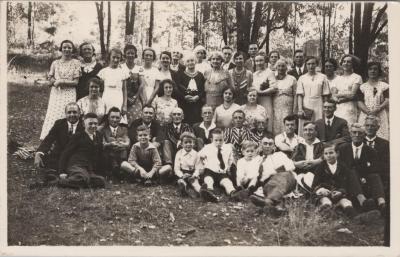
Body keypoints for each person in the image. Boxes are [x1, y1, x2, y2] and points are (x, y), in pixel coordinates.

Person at [338, 123, 386, 212]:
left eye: (360, 133)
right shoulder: (343, 149)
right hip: (347, 178)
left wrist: (362, 177)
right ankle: (363, 201)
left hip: (364, 178)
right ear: (350, 134)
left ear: (364, 135)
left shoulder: (370, 150)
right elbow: (341, 167)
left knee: (375, 175)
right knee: (351, 171)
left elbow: (374, 168)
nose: (357, 135)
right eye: (354, 132)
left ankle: (382, 202)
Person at [40, 40, 81, 140]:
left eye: (69, 48)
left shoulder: (76, 63)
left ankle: (66, 138)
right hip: (56, 93)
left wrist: (61, 81)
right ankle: (50, 138)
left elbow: (76, 82)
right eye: (64, 47)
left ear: (72, 50)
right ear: (61, 49)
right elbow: (50, 77)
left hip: (69, 93)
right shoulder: (55, 63)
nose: (67, 49)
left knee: (68, 113)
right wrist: (54, 81)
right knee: (54, 113)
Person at [34, 103, 84, 185]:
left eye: (75, 112)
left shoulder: (84, 125)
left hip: (74, 157)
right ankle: (55, 175)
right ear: (65, 114)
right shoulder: (59, 123)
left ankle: (67, 176)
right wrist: (39, 153)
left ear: (79, 113)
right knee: (48, 163)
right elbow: (49, 139)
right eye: (69, 112)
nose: (72, 115)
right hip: (58, 155)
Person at [249, 136, 297, 214]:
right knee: (270, 184)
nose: (267, 146)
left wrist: (273, 172)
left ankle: (268, 201)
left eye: (270, 144)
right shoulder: (257, 159)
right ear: (261, 145)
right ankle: (276, 206)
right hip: (268, 183)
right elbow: (251, 175)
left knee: (281, 177)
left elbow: (291, 166)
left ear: (273, 146)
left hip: (286, 178)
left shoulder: (279, 155)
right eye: (265, 143)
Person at [57, 113, 106, 188]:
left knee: (101, 181)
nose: (93, 126)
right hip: (76, 165)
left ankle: (82, 182)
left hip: (88, 168)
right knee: (81, 178)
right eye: (90, 124)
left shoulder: (99, 135)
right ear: (84, 124)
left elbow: (99, 154)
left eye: (95, 124)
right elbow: (65, 153)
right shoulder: (78, 136)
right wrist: (62, 172)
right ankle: (58, 181)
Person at [311, 143, 359, 218]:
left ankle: (354, 218)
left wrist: (341, 191)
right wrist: (321, 189)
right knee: (326, 202)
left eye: (331, 153)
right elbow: (314, 185)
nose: (328, 155)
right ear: (323, 155)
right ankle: (328, 215)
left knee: (346, 203)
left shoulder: (343, 167)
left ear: (337, 154)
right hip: (325, 194)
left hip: (340, 195)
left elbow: (347, 184)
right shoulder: (320, 167)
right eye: (326, 153)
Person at [197, 128, 243, 202]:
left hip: (222, 172)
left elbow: (230, 159)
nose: (218, 142)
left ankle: (233, 193)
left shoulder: (227, 148)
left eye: (220, 140)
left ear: (223, 139)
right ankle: (209, 192)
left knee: (227, 182)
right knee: (208, 180)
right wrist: (202, 158)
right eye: (216, 140)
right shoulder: (208, 147)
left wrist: (228, 167)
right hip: (210, 171)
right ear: (212, 140)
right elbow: (198, 155)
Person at [297, 56, 330, 135]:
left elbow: (325, 94)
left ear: (316, 65)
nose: (311, 66)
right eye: (308, 64)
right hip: (306, 104)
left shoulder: (323, 77)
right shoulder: (302, 78)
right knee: (306, 125)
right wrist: (300, 109)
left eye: (313, 64)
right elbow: (300, 95)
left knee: (319, 125)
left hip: (319, 104)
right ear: (305, 65)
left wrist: (325, 108)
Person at [357, 61, 389, 140]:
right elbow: (359, 101)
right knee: (364, 136)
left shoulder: (384, 86)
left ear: (379, 71)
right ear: (367, 71)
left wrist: (377, 109)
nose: (373, 71)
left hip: (380, 114)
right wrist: (368, 112)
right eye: (370, 69)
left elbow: (387, 100)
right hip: (366, 115)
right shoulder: (362, 87)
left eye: (375, 69)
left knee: (381, 137)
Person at [291, 122, 324, 192]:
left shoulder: (321, 145)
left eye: (310, 130)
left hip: (316, 172)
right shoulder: (299, 146)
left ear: (316, 132)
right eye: (305, 130)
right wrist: (297, 164)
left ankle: (314, 190)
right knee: (300, 176)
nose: (307, 132)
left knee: (310, 176)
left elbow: (326, 158)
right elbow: (292, 161)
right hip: (301, 171)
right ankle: (314, 190)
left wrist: (316, 162)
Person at [330, 54, 362, 125]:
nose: (346, 63)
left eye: (348, 62)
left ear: (353, 64)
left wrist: (338, 96)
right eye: (344, 61)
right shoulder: (337, 79)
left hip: (350, 108)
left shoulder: (357, 77)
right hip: (338, 109)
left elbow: (352, 95)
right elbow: (333, 95)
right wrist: (338, 97)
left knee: (349, 129)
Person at [174, 53, 206, 125]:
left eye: (192, 60)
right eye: (188, 61)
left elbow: (204, 89)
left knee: (197, 123)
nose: (190, 62)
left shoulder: (200, 75)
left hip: (197, 104)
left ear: (195, 61)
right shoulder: (180, 74)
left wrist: (198, 97)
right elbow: (177, 89)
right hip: (184, 104)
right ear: (185, 63)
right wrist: (184, 97)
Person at [100, 107, 130, 178]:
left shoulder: (124, 129)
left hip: (121, 154)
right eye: (112, 117)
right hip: (108, 156)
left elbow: (127, 141)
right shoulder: (103, 130)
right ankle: (113, 169)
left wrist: (124, 144)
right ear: (108, 118)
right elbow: (102, 143)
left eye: (117, 117)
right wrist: (110, 144)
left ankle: (121, 169)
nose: (115, 120)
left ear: (120, 118)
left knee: (124, 149)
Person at [363, 115, 390, 194]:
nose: (369, 128)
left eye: (372, 126)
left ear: (377, 128)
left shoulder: (385, 144)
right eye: (367, 125)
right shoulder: (358, 142)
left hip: (379, 176)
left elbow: (386, 164)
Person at [97, 48, 128, 116]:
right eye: (113, 57)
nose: (116, 60)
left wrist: (125, 105)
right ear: (109, 57)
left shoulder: (123, 72)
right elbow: (100, 90)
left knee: (117, 117)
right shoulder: (103, 71)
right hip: (106, 98)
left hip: (118, 98)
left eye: (118, 58)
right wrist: (99, 103)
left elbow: (124, 90)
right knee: (105, 118)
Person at [121, 44, 144, 125]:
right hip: (123, 98)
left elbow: (141, 84)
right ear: (124, 55)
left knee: (137, 121)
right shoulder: (120, 67)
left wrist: (135, 97)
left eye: (132, 53)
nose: (130, 55)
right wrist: (126, 98)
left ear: (135, 55)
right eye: (128, 53)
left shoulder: (139, 68)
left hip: (135, 99)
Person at [252, 54, 277, 132]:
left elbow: (274, 88)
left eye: (261, 60)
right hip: (256, 101)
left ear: (265, 61)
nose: (259, 63)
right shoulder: (254, 74)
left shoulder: (269, 72)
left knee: (266, 119)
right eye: (257, 61)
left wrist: (261, 92)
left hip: (266, 100)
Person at [273, 59, 297, 135]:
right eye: (279, 66)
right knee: (276, 124)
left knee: (288, 124)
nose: (281, 68)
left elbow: (296, 94)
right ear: (276, 67)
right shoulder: (273, 78)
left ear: (286, 67)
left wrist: (295, 109)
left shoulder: (292, 79)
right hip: (276, 105)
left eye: (283, 66)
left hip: (288, 107)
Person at [174, 132, 202, 197]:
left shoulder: (196, 154)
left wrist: (194, 175)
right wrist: (182, 175)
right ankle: (184, 189)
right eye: (186, 142)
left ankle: (201, 192)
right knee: (181, 181)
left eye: (190, 142)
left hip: (192, 174)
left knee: (195, 183)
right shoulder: (179, 153)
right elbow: (176, 168)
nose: (188, 144)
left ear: (194, 143)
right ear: (181, 144)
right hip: (182, 173)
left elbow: (198, 168)